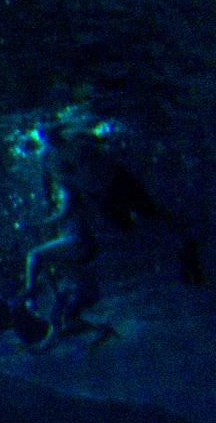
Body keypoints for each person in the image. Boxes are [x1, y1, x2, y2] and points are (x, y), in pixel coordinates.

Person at [19, 114, 200, 346]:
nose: (48, 136)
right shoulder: (48, 157)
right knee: (126, 225)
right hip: (98, 193)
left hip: (115, 181)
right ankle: (177, 240)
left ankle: (184, 240)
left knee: (148, 213)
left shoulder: (78, 139)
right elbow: (58, 183)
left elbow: (102, 147)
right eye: (44, 133)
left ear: (57, 129)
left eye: (51, 130)